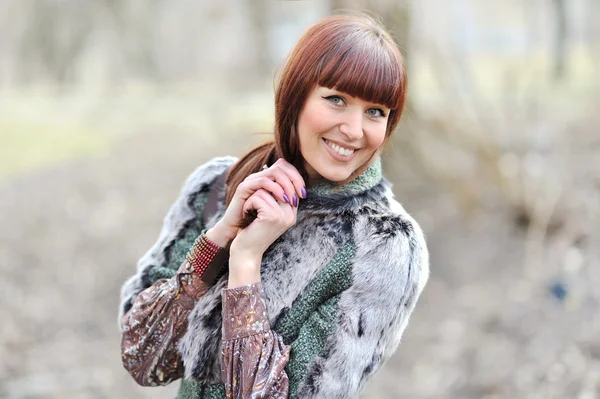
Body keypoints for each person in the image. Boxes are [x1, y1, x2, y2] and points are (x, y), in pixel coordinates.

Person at [118, 13, 429, 399]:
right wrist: (216, 243)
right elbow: (143, 360)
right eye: (336, 99)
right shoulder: (218, 187)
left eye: (375, 111)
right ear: (295, 96)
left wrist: (246, 263)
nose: (354, 129)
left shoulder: (384, 246)